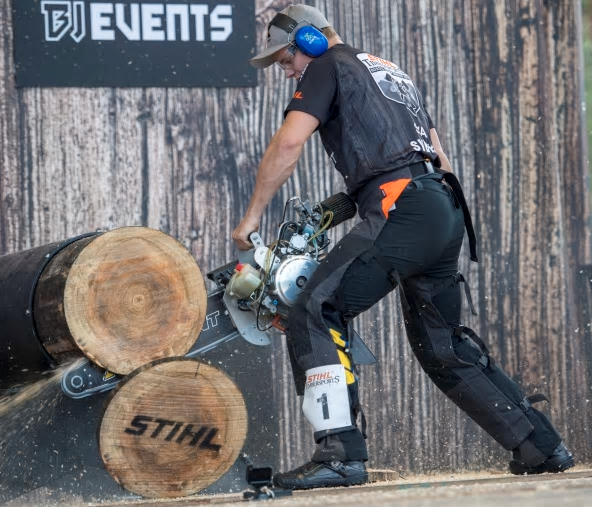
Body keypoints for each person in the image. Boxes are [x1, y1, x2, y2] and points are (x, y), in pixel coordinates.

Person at [232, 3, 574, 490]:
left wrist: (249, 219)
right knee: (442, 344)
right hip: (441, 204)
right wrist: (347, 206)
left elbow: (288, 145)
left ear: (309, 41)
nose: (286, 71)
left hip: (401, 208)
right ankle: (542, 446)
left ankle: (340, 454)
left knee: (313, 309)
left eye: (286, 59)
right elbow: (432, 154)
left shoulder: (326, 65)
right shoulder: (388, 71)